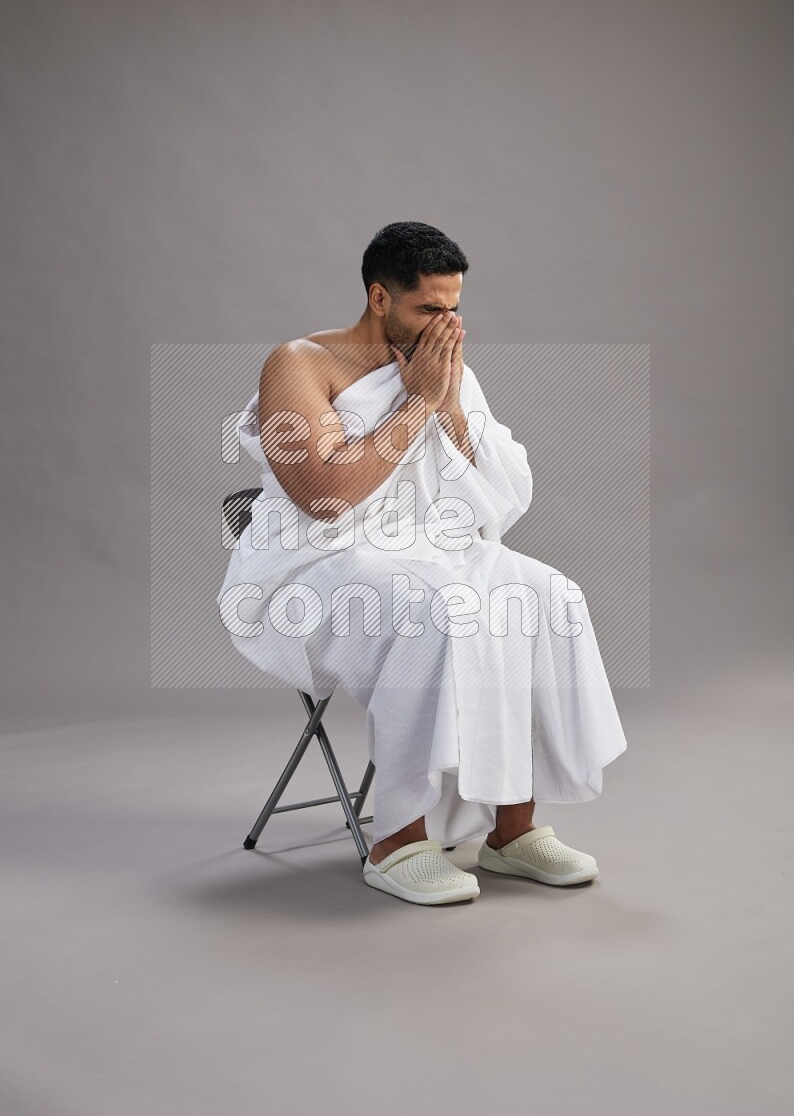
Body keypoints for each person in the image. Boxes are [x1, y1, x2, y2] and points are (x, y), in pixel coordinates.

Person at [217, 221, 628, 906]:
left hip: (429, 547)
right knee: (436, 609)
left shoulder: (441, 364)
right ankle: (398, 840)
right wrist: (417, 403)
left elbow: (490, 496)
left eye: (455, 307)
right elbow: (326, 497)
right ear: (381, 299)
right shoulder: (300, 363)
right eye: (429, 309)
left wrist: (448, 403)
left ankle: (512, 832)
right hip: (316, 567)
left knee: (549, 594)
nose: (448, 324)